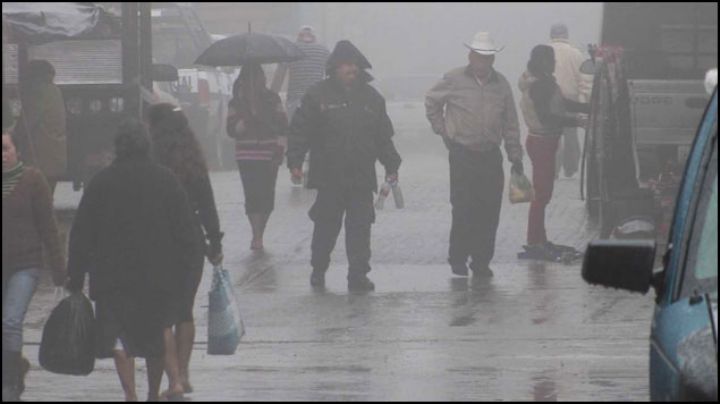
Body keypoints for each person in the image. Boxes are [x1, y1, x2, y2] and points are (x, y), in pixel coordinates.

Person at [66, 120, 201, 402]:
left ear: (118, 147)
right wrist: (187, 276)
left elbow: (81, 233)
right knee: (154, 340)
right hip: (158, 278)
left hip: (113, 278)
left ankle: (130, 394)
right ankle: (153, 393)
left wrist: (75, 276)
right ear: (147, 145)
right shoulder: (165, 180)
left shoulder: (101, 182)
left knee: (118, 337)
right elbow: (187, 232)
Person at [287, 40, 401, 292]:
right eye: (346, 65)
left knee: (360, 228)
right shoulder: (317, 95)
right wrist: (294, 161)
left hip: (361, 178)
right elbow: (300, 131)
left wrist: (392, 164)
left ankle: (358, 275)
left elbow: (383, 138)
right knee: (326, 227)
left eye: (355, 65)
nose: (352, 69)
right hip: (329, 178)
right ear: (334, 68)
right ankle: (318, 269)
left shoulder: (372, 99)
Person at [425, 31, 524, 278]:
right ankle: (458, 258)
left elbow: (510, 121)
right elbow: (431, 101)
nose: (484, 62)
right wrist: (443, 130)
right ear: (471, 56)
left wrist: (515, 154)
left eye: (488, 58)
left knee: (489, 210)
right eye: (480, 57)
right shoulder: (453, 78)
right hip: (462, 154)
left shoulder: (501, 85)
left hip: (490, 155)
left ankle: (481, 261)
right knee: (463, 208)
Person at [147, 103, 224, 398]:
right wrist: (214, 243)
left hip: (159, 241)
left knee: (163, 314)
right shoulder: (193, 160)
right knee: (184, 311)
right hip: (191, 241)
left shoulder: (152, 160)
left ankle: (173, 380)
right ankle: (186, 373)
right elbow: (208, 205)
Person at [2, 131, 66, 401]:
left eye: (5, 148)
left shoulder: (32, 180)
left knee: (10, 321)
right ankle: (16, 364)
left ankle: (11, 381)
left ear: (17, 150)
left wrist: (60, 270)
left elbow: (48, 226)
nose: (2, 155)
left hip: (25, 265)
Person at [518, 45, 590, 258]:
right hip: (542, 142)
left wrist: (585, 108)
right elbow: (547, 116)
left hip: (544, 141)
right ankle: (534, 242)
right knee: (541, 195)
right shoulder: (540, 85)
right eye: (550, 60)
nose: (553, 63)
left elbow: (561, 103)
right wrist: (576, 120)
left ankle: (540, 239)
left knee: (543, 193)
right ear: (542, 62)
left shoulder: (544, 81)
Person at [227, 63, 288, 251]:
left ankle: (261, 230)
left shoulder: (272, 98)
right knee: (252, 195)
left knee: (267, 196)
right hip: (246, 155)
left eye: (260, 76)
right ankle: (256, 234)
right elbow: (231, 130)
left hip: (269, 154)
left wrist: (279, 148)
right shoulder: (236, 103)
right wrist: (244, 121)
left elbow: (283, 125)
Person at [15, 60, 67, 197]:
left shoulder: (38, 92)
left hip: (40, 158)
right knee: (47, 197)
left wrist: (13, 139)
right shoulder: (55, 91)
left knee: (37, 199)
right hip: (55, 157)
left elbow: (27, 122)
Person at [548, 23, 589, 179]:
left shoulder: (545, 52)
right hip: (571, 99)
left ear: (551, 35)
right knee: (571, 133)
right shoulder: (576, 54)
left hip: (550, 99)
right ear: (566, 35)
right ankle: (570, 168)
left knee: (553, 134)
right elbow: (583, 80)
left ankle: (553, 169)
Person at [271, 25, 330, 121]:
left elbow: (279, 77)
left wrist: (271, 98)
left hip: (295, 101)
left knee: (295, 131)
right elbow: (330, 75)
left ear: (298, 37)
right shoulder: (324, 51)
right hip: (317, 100)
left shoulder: (290, 49)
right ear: (314, 38)